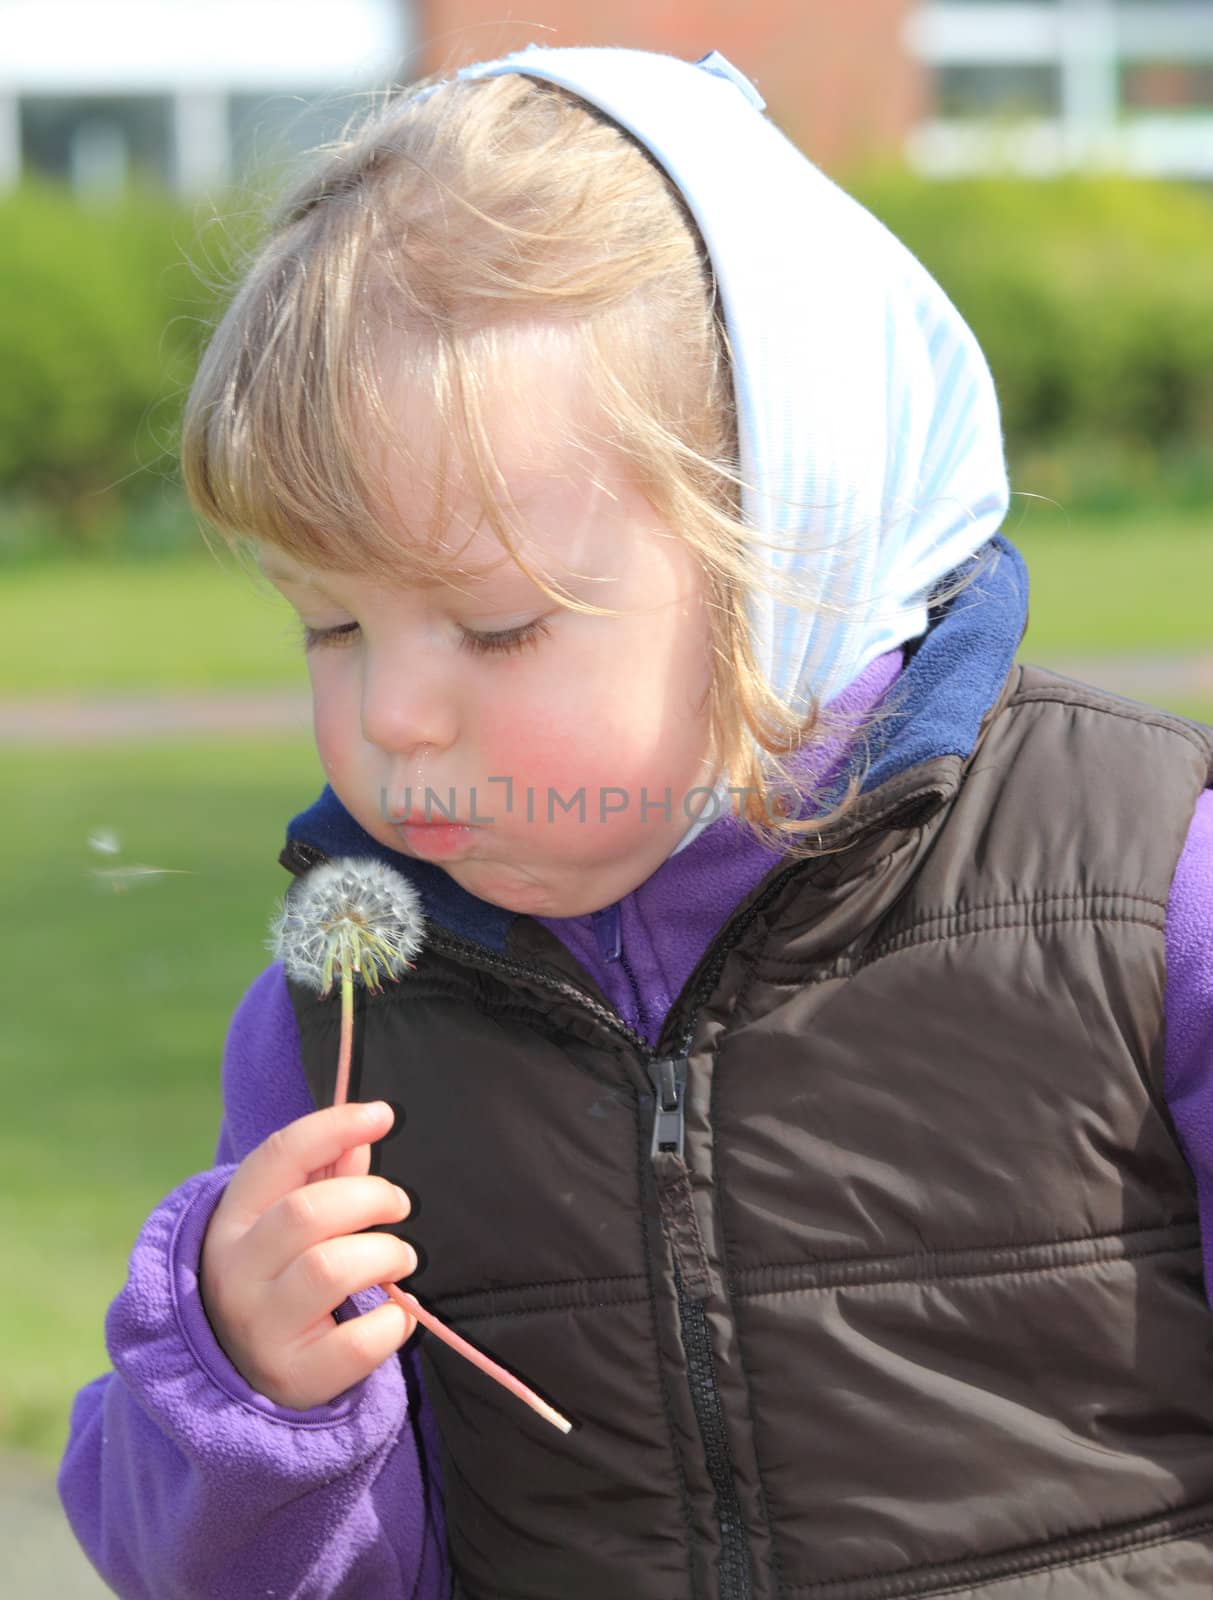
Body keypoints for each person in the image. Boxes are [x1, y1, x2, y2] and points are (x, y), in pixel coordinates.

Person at [58, 43, 1213, 1600]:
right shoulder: (340, 1034)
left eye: (499, 626)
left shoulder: (1146, 893)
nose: (390, 715)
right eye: (329, 627)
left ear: (786, 549)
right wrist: (248, 1392)